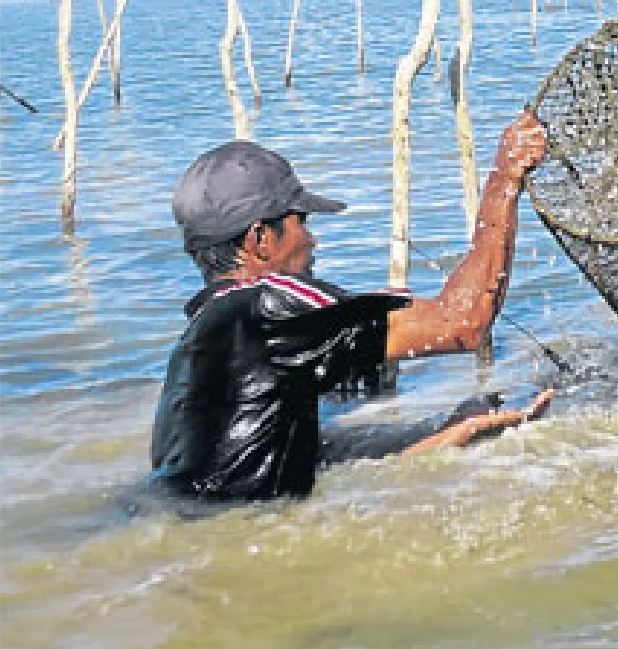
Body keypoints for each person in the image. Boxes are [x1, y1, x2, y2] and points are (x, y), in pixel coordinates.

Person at [151, 112, 552, 503]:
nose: (312, 241)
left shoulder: (197, 340)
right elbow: (463, 322)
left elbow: (254, 474)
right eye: (301, 222)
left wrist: (443, 438)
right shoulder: (271, 302)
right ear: (260, 239)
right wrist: (505, 178)